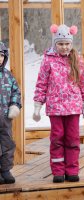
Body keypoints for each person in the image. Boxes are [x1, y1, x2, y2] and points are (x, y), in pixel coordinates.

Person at [33, 24, 84, 183]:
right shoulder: (48, 60)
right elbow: (41, 83)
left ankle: (72, 170)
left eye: (67, 43)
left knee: (73, 139)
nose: (64, 47)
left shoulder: (78, 60)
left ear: (71, 43)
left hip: (73, 107)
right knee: (57, 138)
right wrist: (38, 105)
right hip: (55, 108)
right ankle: (58, 171)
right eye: (60, 43)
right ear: (55, 43)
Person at [0, 42, 21, 184]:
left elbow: (16, 92)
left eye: (1, 55)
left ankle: (6, 170)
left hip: (5, 117)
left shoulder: (8, 76)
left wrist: (14, 105)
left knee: (7, 143)